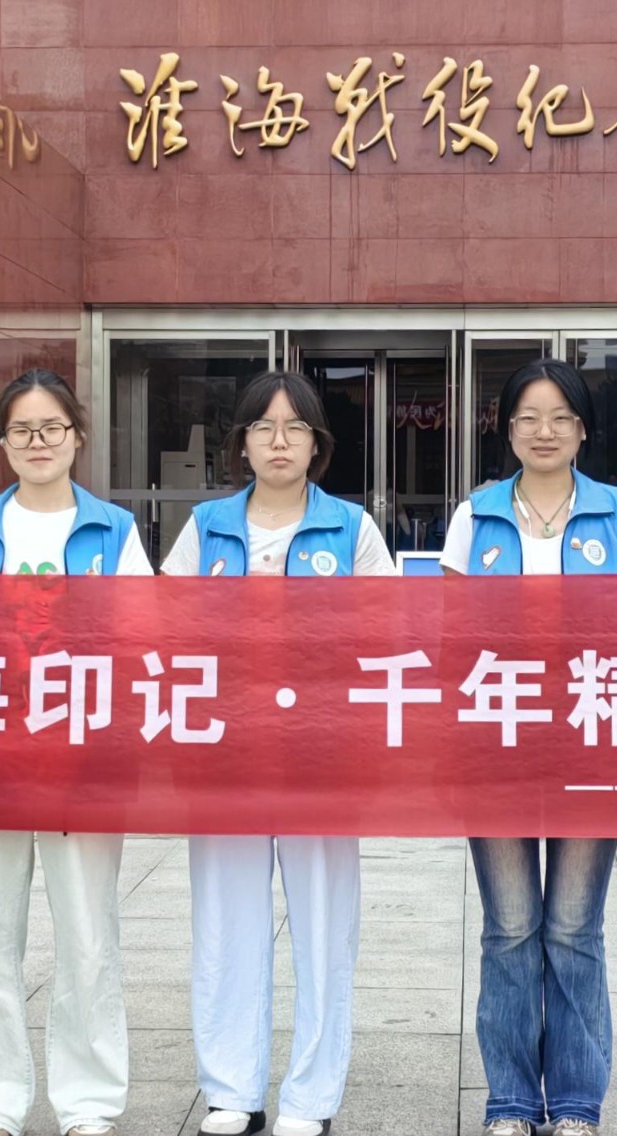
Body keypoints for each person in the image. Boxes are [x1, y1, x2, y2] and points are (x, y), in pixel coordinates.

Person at [160, 371, 396, 1136]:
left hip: (320, 755)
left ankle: (311, 1099)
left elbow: (386, 635)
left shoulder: (351, 529)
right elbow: (163, 627)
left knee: (325, 927)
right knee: (226, 924)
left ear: (317, 443)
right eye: (263, 427)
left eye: (295, 428)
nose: (279, 441)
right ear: (242, 443)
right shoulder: (205, 527)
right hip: (225, 753)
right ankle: (232, 1091)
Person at [439, 358, 617, 1136]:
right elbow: (450, 640)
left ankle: (573, 1103)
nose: (544, 431)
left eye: (561, 417)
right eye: (529, 417)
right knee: (509, 930)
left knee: (572, 930)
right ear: (507, 429)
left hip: (591, 747)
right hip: (495, 746)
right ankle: (508, 1102)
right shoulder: (474, 517)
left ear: (583, 430)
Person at [0, 370, 151, 1136]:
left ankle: (88, 1101)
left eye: (51, 428)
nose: (38, 442)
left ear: (77, 436)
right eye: (22, 430)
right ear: (2, 442)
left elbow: (141, 639)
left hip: (84, 762)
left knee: (88, 935)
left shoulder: (113, 531)